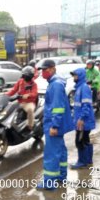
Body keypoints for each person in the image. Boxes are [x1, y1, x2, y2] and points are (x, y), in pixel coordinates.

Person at [37, 59, 74, 190]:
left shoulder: (56, 84)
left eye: (45, 69)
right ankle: (61, 176)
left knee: (51, 153)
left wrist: (54, 126)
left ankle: (49, 183)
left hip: (54, 124)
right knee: (60, 151)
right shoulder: (55, 82)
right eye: (41, 70)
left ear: (53, 69)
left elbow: (58, 108)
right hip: (56, 123)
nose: (43, 72)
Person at [70, 68, 96, 169]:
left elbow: (86, 105)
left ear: (80, 76)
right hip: (84, 120)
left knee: (79, 141)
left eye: (75, 75)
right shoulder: (80, 87)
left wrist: (81, 119)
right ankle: (88, 160)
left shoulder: (83, 88)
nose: (74, 77)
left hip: (83, 121)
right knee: (85, 140)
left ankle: (82, 161)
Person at [6, 66, 38, 131]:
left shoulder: (33, 84)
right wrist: (5, 95)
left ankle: (30, 125)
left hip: (29, 102)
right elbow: (13, 90)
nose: (25, 77)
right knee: (8, 109)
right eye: (24, 75)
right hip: (19, 101)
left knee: (30, 110)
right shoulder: (20, 81)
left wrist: (28, 95)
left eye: (27, 75)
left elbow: (35, 93)